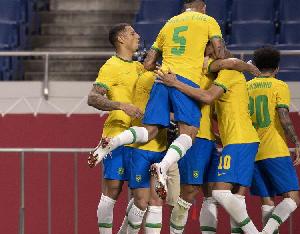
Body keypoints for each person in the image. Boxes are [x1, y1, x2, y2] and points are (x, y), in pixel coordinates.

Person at [89, 0, 226, 201]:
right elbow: (220, 53)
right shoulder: (208, 20)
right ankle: (162, 167)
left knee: (151, 130)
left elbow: (148, 62)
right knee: (189, 133)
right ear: (201, 6)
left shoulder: (169, 23)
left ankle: (112, 142)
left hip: (162, 78)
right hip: (183, 80)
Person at [155, 59, 267, 234]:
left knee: (213, 194)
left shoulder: (220, 74)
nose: (212, 59)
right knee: (190, 193)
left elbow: (210, 97)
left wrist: (248, 67)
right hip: (197, 139)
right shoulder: (188, 71)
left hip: (220, 141)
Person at [86, 23, 143, 234]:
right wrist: (121, 105)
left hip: (143, 137)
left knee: (143, 195)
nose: (137, 36)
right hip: (117, 135)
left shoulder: (140, 67)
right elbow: (93, 97)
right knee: (112, 192)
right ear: (121, 38)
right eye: (132, 33)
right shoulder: (111, 66)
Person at [110, 70, 170, 234]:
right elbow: (153, 109)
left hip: (160, 148)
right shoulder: (148, 78)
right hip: (141, 149)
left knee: (157, 201)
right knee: (142, 201)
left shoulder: (164, 78)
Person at [247, 46, 300, 234]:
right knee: (293, 198)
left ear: (256, 65)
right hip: (274, 148)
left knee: (267, 200)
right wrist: (296, 141)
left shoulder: (247, 86)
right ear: (277, 68)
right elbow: (283, 115)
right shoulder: (279, 85)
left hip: (252, 149)